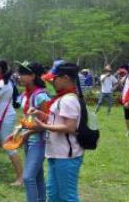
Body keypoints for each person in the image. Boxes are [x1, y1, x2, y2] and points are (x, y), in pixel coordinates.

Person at [28, 61, 87, 202]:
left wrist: (44, 126)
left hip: (66, 155)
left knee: (67, 196)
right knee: (53, 194)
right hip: (56, 153)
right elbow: (58, 120)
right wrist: (41, 114)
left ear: (66, 78)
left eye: (54, 78)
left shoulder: (68, 100)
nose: (52, 81)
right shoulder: (62, 98)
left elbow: (70, 127)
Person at [9, 61, 51, 201]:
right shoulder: (26, 95)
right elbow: (28, 119)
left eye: (22, 74)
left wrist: (26, 134)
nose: (18, 76)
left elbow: (46, 122)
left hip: (40, 141)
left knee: (28, 177)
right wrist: (19, 130)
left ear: (32, 76)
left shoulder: (41, 96)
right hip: (29, 140)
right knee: (37, 176)